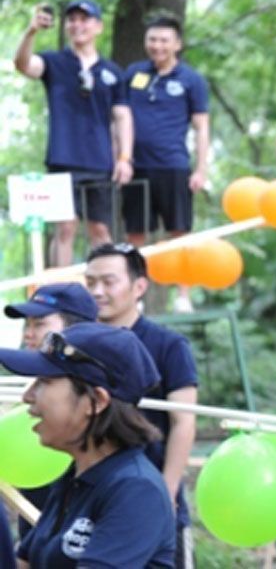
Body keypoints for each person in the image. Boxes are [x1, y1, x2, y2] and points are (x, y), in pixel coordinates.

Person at [0, 323, 175, 567]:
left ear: (98, 400)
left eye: (43, 382)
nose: (27, 397)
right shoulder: (75, 477)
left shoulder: (136, 490)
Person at [84, 243, 197, 568]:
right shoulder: (81, 344)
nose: (98, 291)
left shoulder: (168, 345)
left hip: (152, 490)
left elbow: (183, 422)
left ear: (139, 286)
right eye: (90, 282)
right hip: (95, 497)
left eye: (108, 281)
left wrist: (168, 490)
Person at [13, 0, 133, 267]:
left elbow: (122, 116)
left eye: (84, 19)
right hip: (63, 157)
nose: (77, 25)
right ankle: (62, 291)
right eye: (72, 20)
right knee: (65, 229)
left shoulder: (113, 72)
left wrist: (125, 157)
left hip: (101, 162)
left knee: (101, 230)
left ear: (98, 27)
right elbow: (22, 65)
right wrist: (31, 31)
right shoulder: (54, 62)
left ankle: (104, 290)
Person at [123, 16, 210, 312]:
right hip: (136, 167)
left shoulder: (191, 79)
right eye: (152, 39)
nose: (157, 45)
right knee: (135, 234)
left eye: (163, 40)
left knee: (180, 231)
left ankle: (183, 296)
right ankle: (135, 297)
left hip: (174, 166)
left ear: (177, 44)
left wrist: (201, 169)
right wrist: (121, 158)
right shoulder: (133, 74)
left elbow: (201, 127)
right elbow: (119, 118)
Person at [3, 282, 97, 540]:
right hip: (38, 524)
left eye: (39, 324)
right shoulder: (28, 393)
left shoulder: (101, 397)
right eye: (27, 325)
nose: (28, 335)